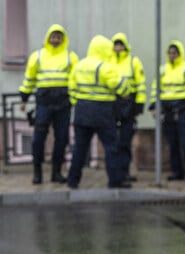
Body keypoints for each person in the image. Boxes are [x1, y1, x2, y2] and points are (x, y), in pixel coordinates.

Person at [66, 35, 131, 189]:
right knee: (111, 147)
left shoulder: (79, 66)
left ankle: (73, 180)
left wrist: (78, 102)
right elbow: (122, 88)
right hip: (102, 112)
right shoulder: (105, 67)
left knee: (80, 148)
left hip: (82, 111)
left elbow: (71, 88)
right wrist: (126, 91)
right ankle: (115, 181)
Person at [18, 24, 79, 185]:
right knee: (38, 138)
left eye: (58, 36)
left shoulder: (70, 56)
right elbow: (29, 79)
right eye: (53, 36)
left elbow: (76, 80)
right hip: (44, 103)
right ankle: (37, 173)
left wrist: (75, 100)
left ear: (62, 38)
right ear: (48, 38)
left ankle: (56, 172)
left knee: (62, 138)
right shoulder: (37, 56)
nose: (56, 39)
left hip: (63, 103)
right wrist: (24, 98)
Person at [149, 41, 185, 183]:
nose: (172, 55)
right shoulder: (163, 70)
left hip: (182, 111)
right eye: (170, 53)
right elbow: (156, 90)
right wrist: (154, 107)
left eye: (174, 53)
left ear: (180, 54)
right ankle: (176, 171)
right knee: (172, 144)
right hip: (168, 112)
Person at [112, 33, 146, 183]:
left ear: (125, 46)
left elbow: (141, 84)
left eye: (120, 45)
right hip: (113, 106)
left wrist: (139, 104)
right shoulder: (108, 62)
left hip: (129, 106)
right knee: (113, 142)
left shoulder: (133, 62)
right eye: (116, 44)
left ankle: (125, 172)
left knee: (125, 141)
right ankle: (115, 173)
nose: (118, 48)